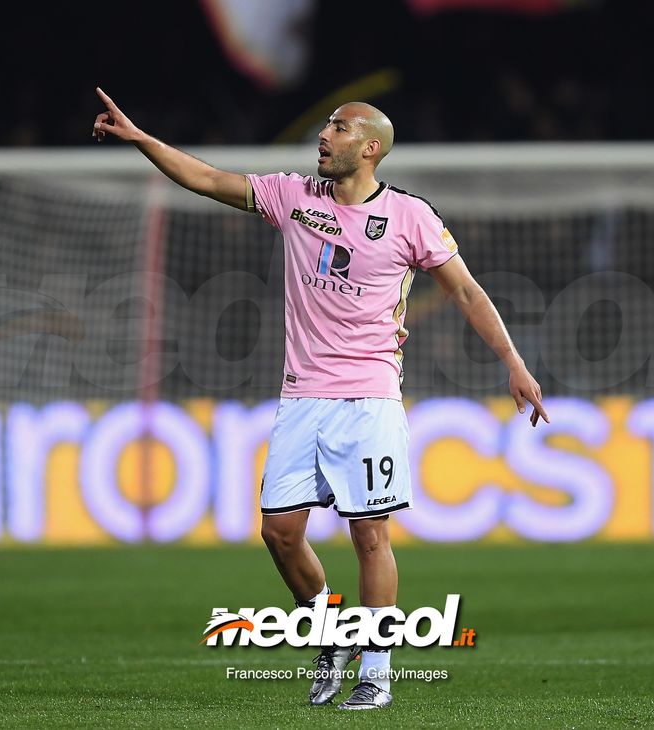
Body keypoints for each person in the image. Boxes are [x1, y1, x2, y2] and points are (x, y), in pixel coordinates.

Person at [92, 87, 548, 711]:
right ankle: (332, 632)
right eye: (326, 126)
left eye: (338, 128)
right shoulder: (295, 197)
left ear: (370, 147)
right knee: (279, 533)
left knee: (370, 536)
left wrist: (514, 364)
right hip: (302, 396)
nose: (323, 135)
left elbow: (467, 292)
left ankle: (377, 674)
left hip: (370, 398)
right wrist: (143, 139)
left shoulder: (411, 216)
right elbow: (208, 179)